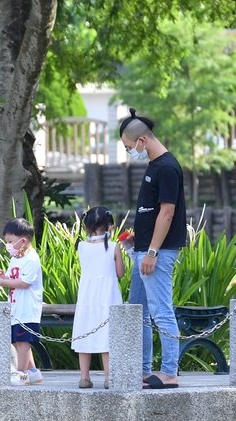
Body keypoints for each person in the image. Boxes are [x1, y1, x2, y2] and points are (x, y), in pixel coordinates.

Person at [120, 109, 186, 389]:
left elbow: (167, 213)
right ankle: (144, 369)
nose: (128, 152)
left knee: (161, 311)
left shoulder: (168, 167)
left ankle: (169, 371)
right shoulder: (154, 165)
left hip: (157, 254)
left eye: (128, 147)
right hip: (144, 249)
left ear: (142, 140)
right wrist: (139, 240)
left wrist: (152, 252)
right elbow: (152, 211)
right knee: (138, 310)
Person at [71, 207, 124, 389]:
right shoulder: (114, 247)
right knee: (108, 334)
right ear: (110, 226)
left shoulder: (81, 246)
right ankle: (109, 377)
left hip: (87, 295)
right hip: (108, 294)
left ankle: (84, 377)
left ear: (86, 227)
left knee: (85, 331)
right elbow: (120, 273)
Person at [0, 218, 44, 386]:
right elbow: (13, 278)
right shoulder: (16, 257)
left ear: (23, 241)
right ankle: (33, 373)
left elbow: (25, 283)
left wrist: (5, 282)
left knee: (23, 342)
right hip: (16, 308)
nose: (7, 245)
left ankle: (20, 373)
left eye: (10, 242)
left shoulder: (31, 259)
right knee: (16, 341)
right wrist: (3, 277)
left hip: (27, 309)